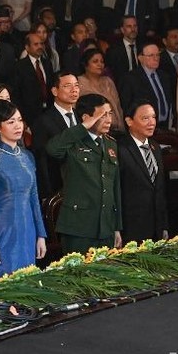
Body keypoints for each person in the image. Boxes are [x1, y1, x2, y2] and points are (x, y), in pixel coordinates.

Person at [46, 93, 122, 254]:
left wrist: (116, 227)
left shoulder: (110, 144)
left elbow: (115, 187)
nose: (109, 119)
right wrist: (82, 128)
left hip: (105, 226)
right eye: (102, 115)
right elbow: (52, 149)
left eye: (110, 114)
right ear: (87, 118)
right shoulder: (73, 142)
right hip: (79, 228)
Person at [0, 100, 47, 278]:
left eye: (19, 120)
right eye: (10, 122)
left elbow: (34, 197)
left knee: (27, 281)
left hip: (28, 229)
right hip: (3, 230)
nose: (18, 126)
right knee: (4, 283)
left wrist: (41, 235)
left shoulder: (27, 156)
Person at [118, 101, 168, 243]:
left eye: (153, 117)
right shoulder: (120, 149)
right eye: (145, 118)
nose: (151, 123)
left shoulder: (155, 147)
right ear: (129, 121)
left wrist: (164, 225)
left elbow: (160, 189)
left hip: (156, 227)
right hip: (131, 228)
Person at [30, 71, 81, 198]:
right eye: (67, 86)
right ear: (54, 91)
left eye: (76, 85)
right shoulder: (43, 121)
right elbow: (42, 162)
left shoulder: (82, 116)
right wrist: (49, 196)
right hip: (58, 190)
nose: (74, 90)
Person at [118, 42, 175, 130]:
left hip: (165, 127)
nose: (156, 58)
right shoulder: (131, 79)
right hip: (143, 128)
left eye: (158, 55)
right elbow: (127, 107)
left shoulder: (164, 76)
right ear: (140, 58)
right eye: (151, 55)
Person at [77, 48, 124, 132]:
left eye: (102, 62)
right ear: (85, 64)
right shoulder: (79, 82)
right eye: (95, 61)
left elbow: (118, 106)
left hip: (116, 129)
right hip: (94, 130)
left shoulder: (107, 81)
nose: (100, 64)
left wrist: (122, 128)